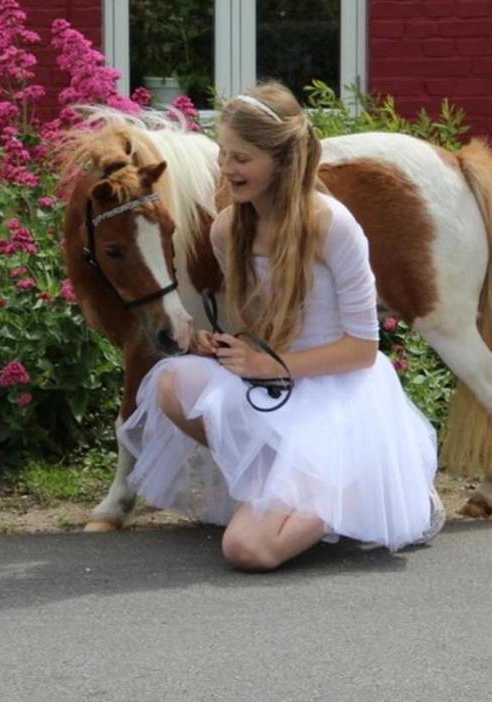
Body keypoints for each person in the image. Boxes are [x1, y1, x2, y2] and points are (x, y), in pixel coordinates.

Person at [118, 81, 445, 571]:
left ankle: (368, 484)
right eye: (223, 153)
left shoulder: (333, 225)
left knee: (247, 550)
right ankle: (284, 483)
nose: (226, 168)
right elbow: (259, 329)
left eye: (242, 158)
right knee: (170, 383)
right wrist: (221, 346)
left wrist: (267, 366)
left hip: (339, 395)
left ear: (282, 161)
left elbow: (362, 349)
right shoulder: (227, 229)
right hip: (277, 386)